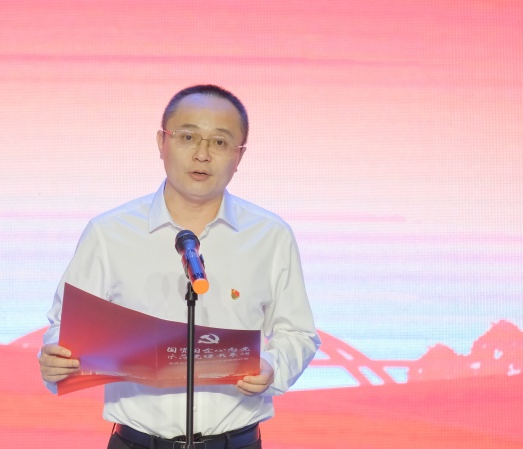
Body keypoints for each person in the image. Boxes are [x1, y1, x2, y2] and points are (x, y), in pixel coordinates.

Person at [39, 84, 320, 449]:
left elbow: (298, 333)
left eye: (220, 142)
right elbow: (65, 329)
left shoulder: (270, 235)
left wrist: (273, 366)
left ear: (239, 156)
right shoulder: (109, 233)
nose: (202, 154)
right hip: (137, 442)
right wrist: (56, 358)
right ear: (162, 142)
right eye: (188, 137)